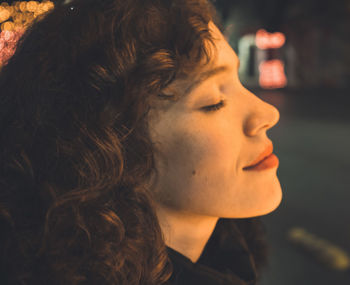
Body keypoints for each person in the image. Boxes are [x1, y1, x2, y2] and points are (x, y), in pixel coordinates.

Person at [0, 0, 282, 284]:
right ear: (111, 153)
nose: (268, 113)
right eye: (213, 103)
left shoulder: (226, 257)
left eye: (238, 79)